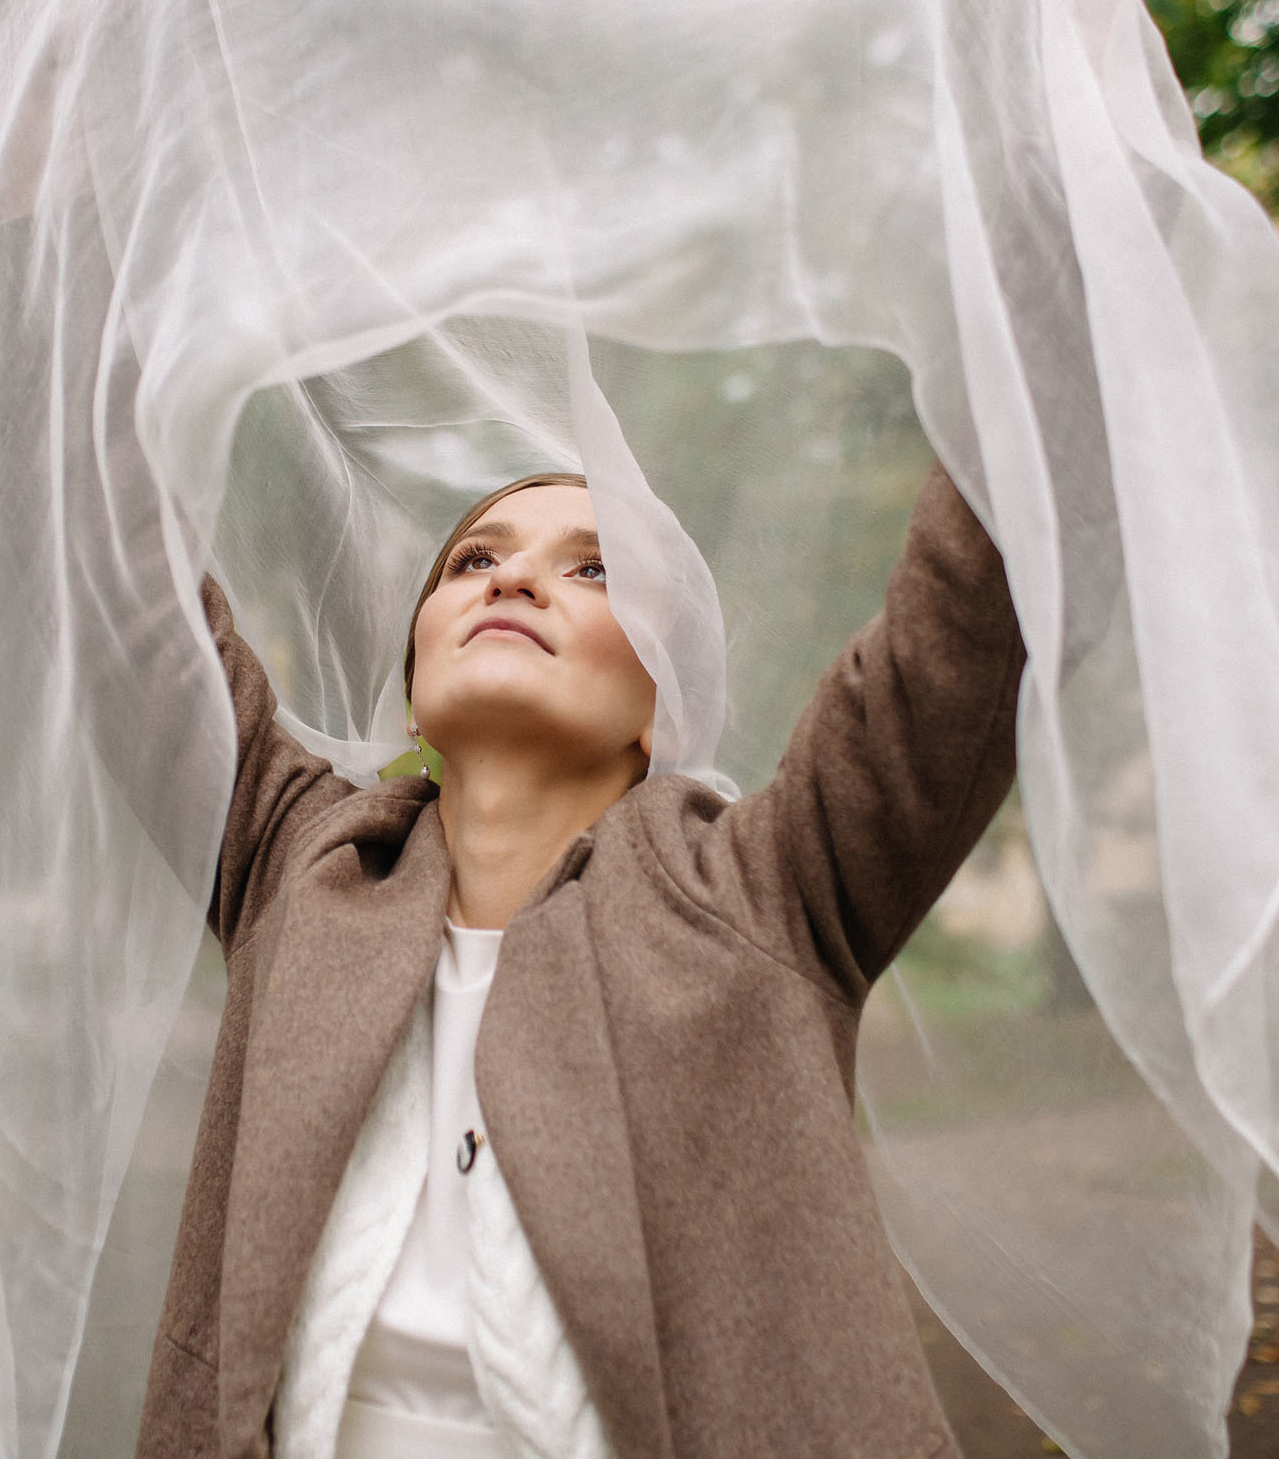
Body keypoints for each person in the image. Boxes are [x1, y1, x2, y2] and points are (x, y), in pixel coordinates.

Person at [143, 464, 1023, 1458]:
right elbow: (125, 586)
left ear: (660, 708)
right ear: (416, 706)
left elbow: (971, 610)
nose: (513, 579)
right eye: (475, 559)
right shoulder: (291, 863)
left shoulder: (769, 890)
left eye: (595, 570)